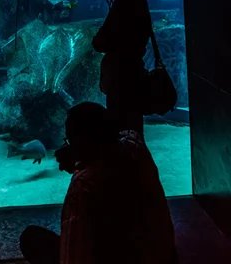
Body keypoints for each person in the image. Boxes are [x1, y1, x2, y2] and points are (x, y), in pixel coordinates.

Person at [20, 102, 178, 264]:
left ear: (81, 142)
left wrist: (80, 164)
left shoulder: (84, 185)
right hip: (161, 255)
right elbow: (114, 144)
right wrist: (80, 156)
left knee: (32, 239)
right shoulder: (135, 144)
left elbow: (74, 256)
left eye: (69, 140)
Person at [92, 0, 152, 136]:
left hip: (122, 79)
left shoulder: (124, 2)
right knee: (132, 131)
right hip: (132, 74)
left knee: (123, 132)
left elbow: (100, 42)